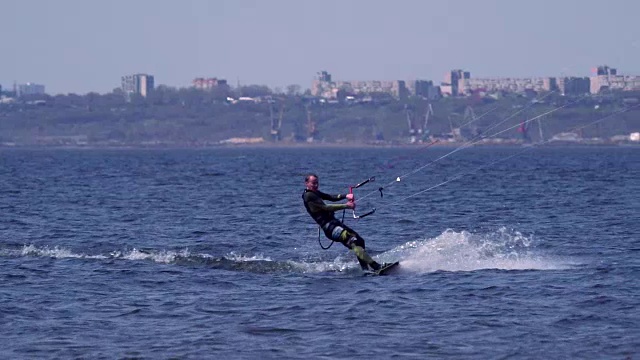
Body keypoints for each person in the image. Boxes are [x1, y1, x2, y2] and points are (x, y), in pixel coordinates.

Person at [302, 173, 382, 271]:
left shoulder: (315, 193)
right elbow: (326, 207)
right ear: (306, 183)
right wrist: (346, 206)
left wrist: (346, 196)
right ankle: (376, 266)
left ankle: (365, 269)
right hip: (330, 228)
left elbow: (330, 197)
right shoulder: (308, 195)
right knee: (353, 241)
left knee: (360, 241)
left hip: (335, 223)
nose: (316, 185)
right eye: (313, 183)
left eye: (317, 183)